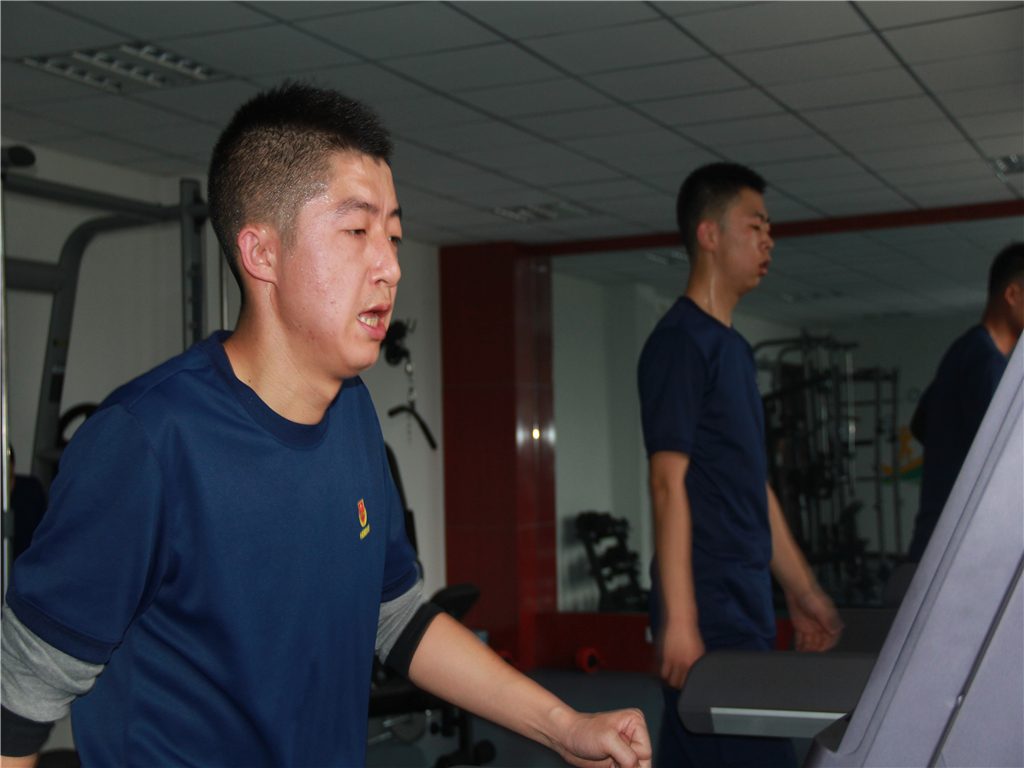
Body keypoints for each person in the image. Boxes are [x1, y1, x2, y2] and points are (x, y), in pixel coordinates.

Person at [1, 83, 651, 768]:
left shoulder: (352, 415)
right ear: (262, 253)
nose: (390, 266)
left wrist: (564, 727)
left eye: (393, 235)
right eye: (357, 231)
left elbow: (396, 616)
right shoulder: (147, 443)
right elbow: (16, 706)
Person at [637, 163, 841, 768]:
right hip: (711, 611)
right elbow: (666, 483)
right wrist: (682, 619)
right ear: (709, 234)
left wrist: (802, 590)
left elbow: (754, 487)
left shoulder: (734, 348)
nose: (769, 240)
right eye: (756, 225)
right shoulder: (681, 343)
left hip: (744, 601)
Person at [905, 242, 1024, 563]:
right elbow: (1006, 467)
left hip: (939, 541)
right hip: (960, 553)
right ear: (1012, 295)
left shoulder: (965, 350)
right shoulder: (987, 365)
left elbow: (921, 424)